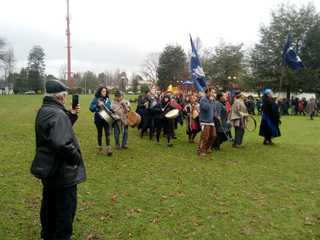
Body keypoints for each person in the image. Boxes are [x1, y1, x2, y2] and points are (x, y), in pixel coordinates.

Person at [32, 80, 86, 240]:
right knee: (64, 212)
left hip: (49, 170)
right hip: (62, 173)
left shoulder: (45, 110)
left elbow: (55, 131)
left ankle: (47, 234)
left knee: (49, 207)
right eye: (65, 97)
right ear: (61, 98)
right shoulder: (57, 114)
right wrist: (76, 158)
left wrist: (71, 116)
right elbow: (61, 142)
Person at [89, 87, 113, 155]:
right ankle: (99, 147)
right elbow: (91, 108)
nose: (104, 93)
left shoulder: (108, 99)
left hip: (107, 117)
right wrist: (97, 105)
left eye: (105, 91)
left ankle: (108, 148)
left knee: (107, 133)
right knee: (100, 133)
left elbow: (110, 107)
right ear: (100, 92)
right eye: (103, 91)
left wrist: (111, 110)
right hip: (98, 118)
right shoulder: (96, 99)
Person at [198, 88, 217, 156]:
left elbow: (214, 109)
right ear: (208, 92)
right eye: (212, 92)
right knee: (205, 137)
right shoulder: (203, 99)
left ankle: (206, 148)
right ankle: (201, 150)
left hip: (211, 121)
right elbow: (205, 108)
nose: (213, 94)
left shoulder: (213, 100)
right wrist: (209, 100)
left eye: (214, 92)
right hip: (204, 121)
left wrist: (216, 114)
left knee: (213, 135)